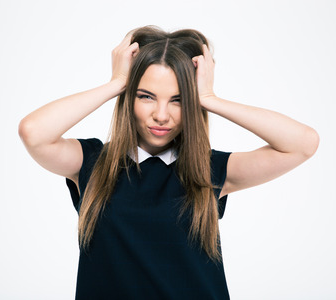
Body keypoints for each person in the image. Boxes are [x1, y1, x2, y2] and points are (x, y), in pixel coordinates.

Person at [18, 26, 319, 300]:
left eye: (178, 99)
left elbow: (303, 144)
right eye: (146, 96)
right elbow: (33, 132)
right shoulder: (92, 162)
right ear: (128, 98)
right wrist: (117, 82)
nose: (161, 115)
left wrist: (209, 98)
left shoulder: (210, 170)